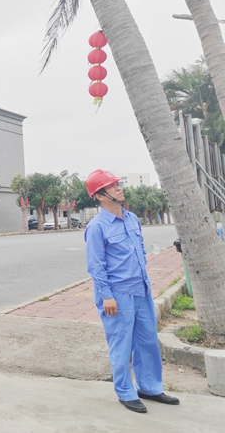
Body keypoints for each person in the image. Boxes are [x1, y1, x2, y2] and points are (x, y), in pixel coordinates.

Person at [84, 169, 180, 413]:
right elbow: (96, 266)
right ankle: (125, 392)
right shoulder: (96, 227)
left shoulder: (132, 218)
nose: (118, 188)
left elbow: (140, 250)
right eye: (112, 186)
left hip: (141, 289)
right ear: (100, 196)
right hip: (117, 295)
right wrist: (106, 296)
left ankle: (149, 387)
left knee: (148, 341)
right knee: (121, 344)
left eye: (117, 183)